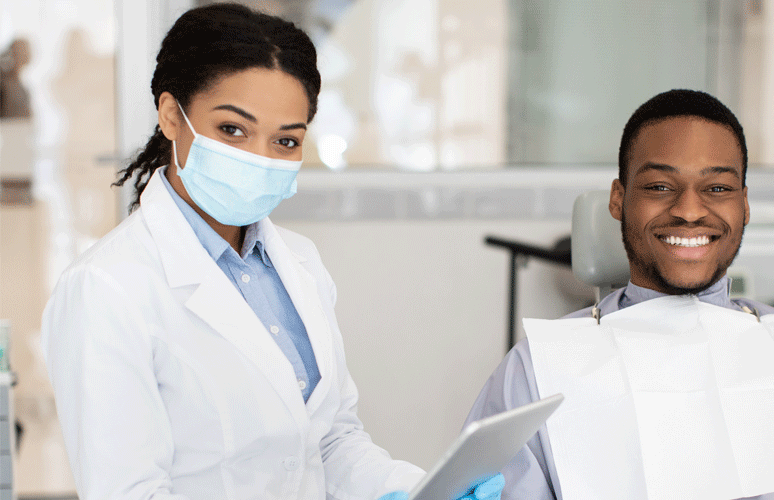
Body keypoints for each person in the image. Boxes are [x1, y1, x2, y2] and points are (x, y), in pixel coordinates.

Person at [41, 4, 501, 499]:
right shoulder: (105, 288)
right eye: (232, 130)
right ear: (172, 116)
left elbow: (329, 443)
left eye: (285, 140)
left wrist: (419, 489)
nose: (259, 157)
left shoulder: (299, 264)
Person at [463, 89, 774, 499]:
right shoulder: (541, 371)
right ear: (619, 200)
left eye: (718, 188)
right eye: (660, 186)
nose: (689, 210)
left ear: (745, 206)